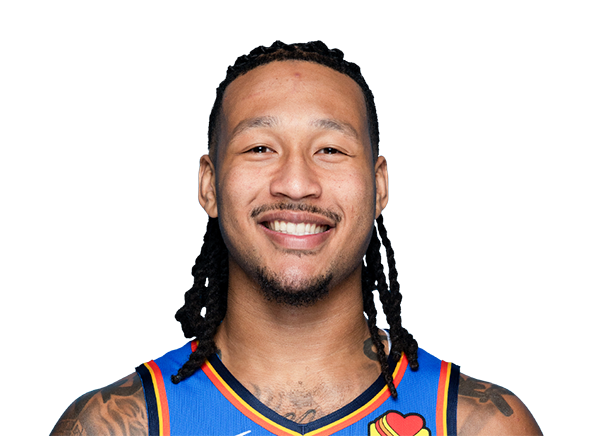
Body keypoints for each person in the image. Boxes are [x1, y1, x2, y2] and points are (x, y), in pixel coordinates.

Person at [51, 40, 542, 436]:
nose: (296, 182)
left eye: (330, 149)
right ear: (209, 185)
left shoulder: (481, 426)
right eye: (260, 147)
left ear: (379, 187)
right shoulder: (116, 426)